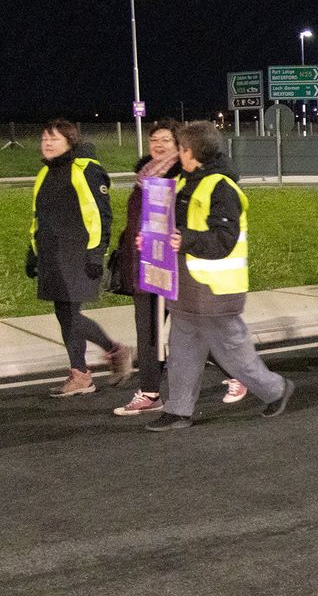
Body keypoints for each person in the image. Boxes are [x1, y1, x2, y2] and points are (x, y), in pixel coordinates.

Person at [145, 121, 294, 431]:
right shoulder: (187, 183)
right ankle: (178, 409)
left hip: (216, 289)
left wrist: (184, 240)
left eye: (182, 148)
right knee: (182, 349)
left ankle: (276, 390)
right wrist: (152, 241)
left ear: (193, 152)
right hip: (187, 285)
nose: (178, 153)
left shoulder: (221, 187)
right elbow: (176, 229)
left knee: (233, 353)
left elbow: (223, 238)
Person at [113, 120, 248, 416]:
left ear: (180, 147)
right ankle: (150, 393)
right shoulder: (144, 176)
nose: (158, 145)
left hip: (177, 266)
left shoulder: (185, 176)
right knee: (147, 331)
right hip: (146, 262)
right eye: (154, 140)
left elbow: (188, 222)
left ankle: (238, 374)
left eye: (166, 140)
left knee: (197, 330)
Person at [26, 119, 131, 397]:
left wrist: (97, 255)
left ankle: (112, 352)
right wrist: (32, 250)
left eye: (54, 139)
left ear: (70, 142)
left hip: (79, 255)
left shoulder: (86, 170)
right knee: (64, 315)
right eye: (44, 138)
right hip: (52, 254)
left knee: (71, 317)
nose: (47, 143)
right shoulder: (45, 173)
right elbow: (39, 217)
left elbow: (101, 215)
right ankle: (81, 374)